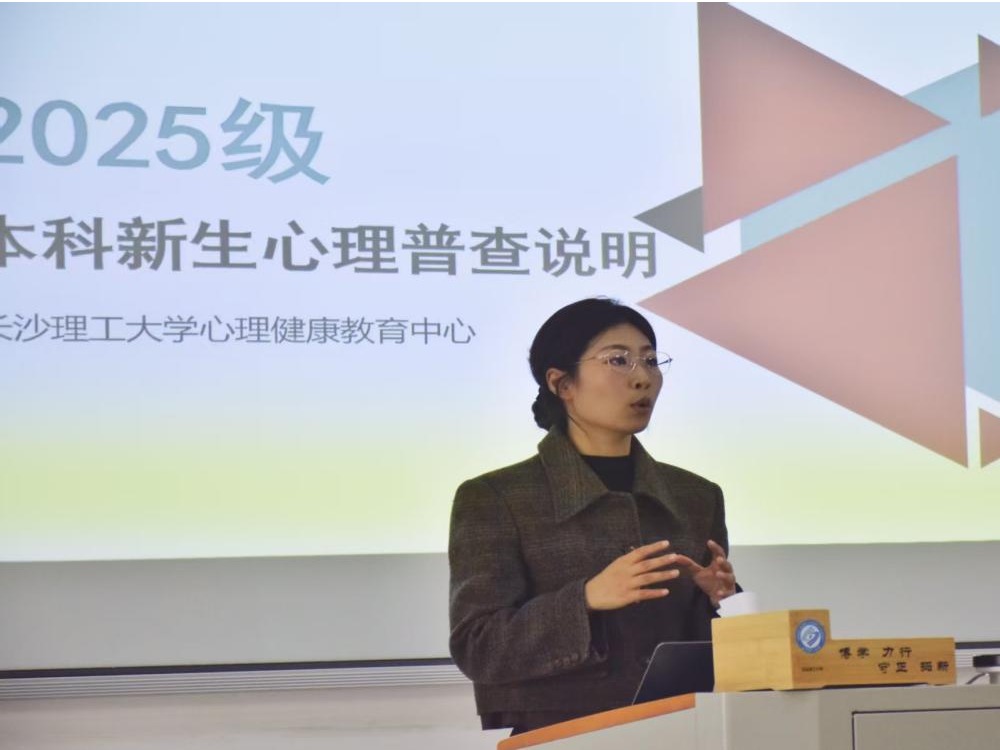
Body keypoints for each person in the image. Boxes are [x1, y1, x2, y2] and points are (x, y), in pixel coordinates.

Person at [448, 297, 738, 734]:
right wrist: (585, 598)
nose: (642, 377)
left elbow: (709, 649)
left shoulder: (696, 496)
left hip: (684, 730)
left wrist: (722, 601)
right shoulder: (496, 498)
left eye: (651, 360)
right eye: (618, 360)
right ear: (562, 383)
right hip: (558, 734)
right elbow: (479, 646)